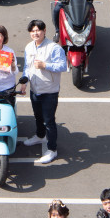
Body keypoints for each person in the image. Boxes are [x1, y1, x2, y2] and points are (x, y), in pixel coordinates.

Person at [21, 19, 67, 164]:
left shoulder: (54, 48)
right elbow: (27, 67)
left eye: (38, 30)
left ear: (45, 31)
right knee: (38, 117)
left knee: (49, 121)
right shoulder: (29, 47)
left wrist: (45, 65)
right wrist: (24, 81)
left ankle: (52, 149)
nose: (36, 33)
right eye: (33, 31)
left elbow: (62, 66)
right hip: (35, 89)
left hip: (49, 91)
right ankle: (40, 136)